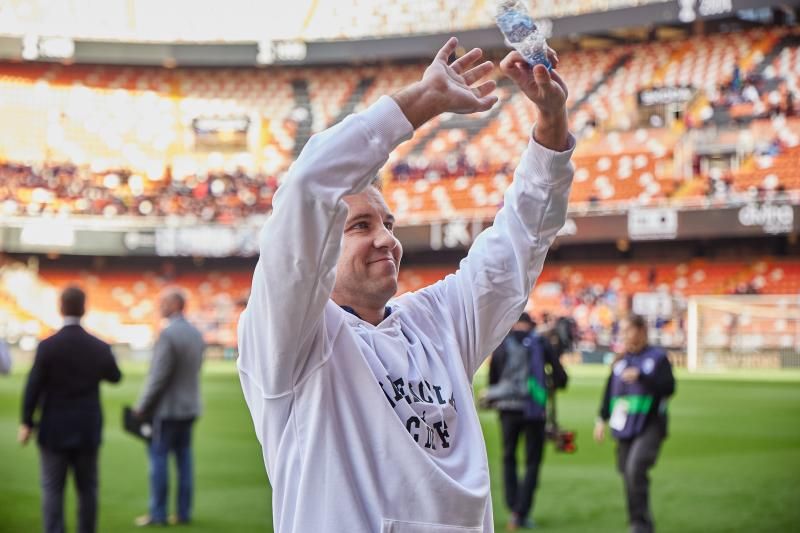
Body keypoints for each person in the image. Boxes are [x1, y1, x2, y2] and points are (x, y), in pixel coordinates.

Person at [237, 37, 574, 532]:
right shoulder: (292, 340)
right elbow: (309, 185)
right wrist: (424, 102)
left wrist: (550, 125)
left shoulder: (435, 323)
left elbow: (518, 245)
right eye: (360, 226)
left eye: (389, 224)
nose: (386, 240)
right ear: (320, 247)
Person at [19, 286, 122, 533]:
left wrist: (26, 422)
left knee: (52, 489)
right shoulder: (98, 346)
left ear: (60, 307)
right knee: (88, 490)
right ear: (84, 308)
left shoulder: (48, 346)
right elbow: (115, 376)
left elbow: (33, 387)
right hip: (87, 429)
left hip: (53, 429)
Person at [593, 314, 676, 533]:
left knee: (635, 468)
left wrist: (642, 377)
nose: (624, 334)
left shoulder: (657, 358)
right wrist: (601, 419)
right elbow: (608, 392)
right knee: (627, 473)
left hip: (650, 424)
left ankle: (640, 525)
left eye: (627, 329)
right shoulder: (619, 360)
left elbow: (669, 388)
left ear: (641, 331)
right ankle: (637, 521)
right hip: (624, 425)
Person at [486, 313, 568, 530]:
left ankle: (513, 506)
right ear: (531, 325)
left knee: (508, 457)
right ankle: (522, 511)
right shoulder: (540, 342)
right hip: (534, 410)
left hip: (507, 410)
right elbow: (561, 378)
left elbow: (493, 379)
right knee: (532, 461)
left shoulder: (502, 342)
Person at [133, 289, 205, 527]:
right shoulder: (196, 333)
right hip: (190, 406)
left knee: (159, 459)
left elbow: (158, 376)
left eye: (163, 302)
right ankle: (183, 513)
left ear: (175, 304)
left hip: (167, 410)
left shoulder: (168, 334)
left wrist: (142, 406)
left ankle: (158, 513)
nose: (159, 305)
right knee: (185, 461)